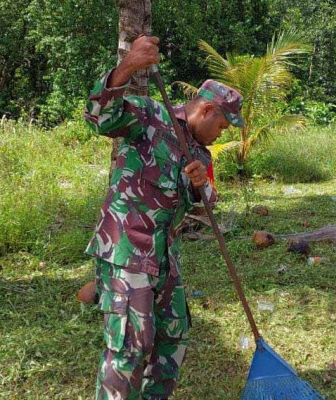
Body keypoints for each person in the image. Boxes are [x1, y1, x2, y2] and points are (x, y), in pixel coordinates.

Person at [83, 35, 244, 400]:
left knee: (174, 336)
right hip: (126, 251)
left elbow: (207, 206)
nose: (221, 134)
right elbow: (99, 118)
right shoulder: (149, 116)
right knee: (129, 345)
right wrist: (128, 66)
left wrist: (201, 188)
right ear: (206, 111)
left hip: (164, 257)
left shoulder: (201, 155)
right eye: (221, 126)